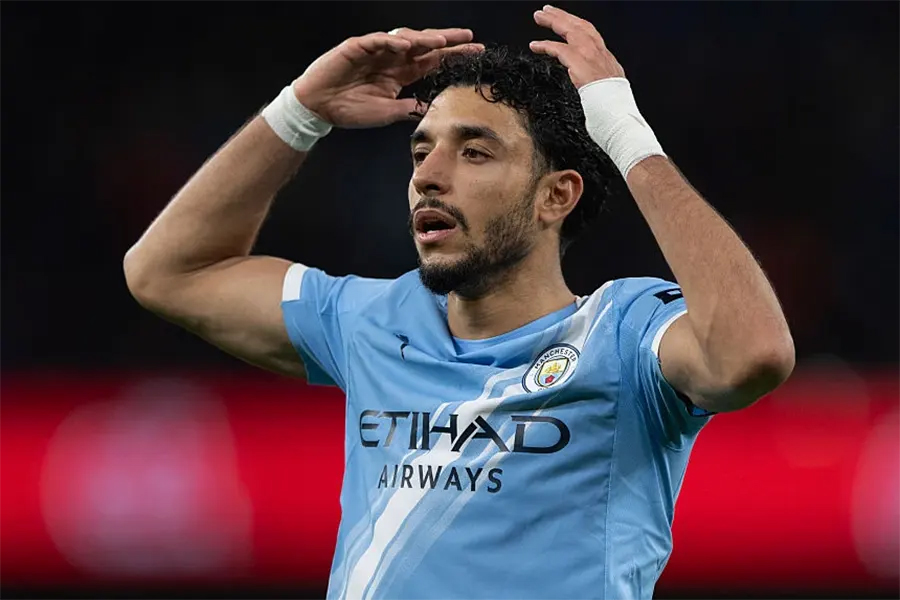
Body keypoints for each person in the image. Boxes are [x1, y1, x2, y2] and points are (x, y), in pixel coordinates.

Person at [124, 6, 795, 599]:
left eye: (474, 152)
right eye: (421, 151)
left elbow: (753, 354)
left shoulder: (623, 334)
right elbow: (167, 272)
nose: (429, 176)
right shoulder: (369, 320)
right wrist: (300, 111)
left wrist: (624, 134)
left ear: (555, 196)